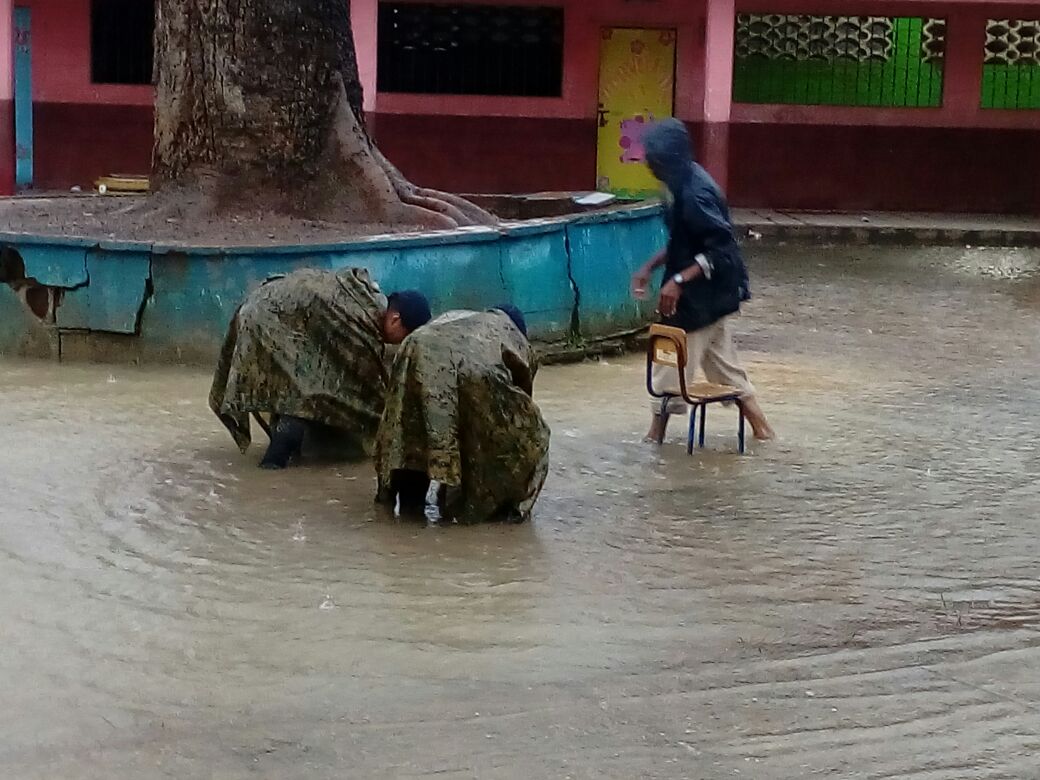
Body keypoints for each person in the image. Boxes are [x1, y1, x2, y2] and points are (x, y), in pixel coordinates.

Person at [631, 118, 774, 444]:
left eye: (652, 158)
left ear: (666, 159)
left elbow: (721, 248)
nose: (647, 164)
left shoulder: (696, 194)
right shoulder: (682, 183)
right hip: (715, 294)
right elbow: (685, 241)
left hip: (704, 295)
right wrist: (651, 267)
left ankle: (655, 438)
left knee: (670, 360)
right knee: (724, 366)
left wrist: (678, 280)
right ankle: (764, 433)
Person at [209, 267, 432, 469]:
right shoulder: (362, 328)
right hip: (267, 317)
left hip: (267, 303)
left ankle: (281, 461)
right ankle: (272, 466)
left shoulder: (368, 300)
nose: (402, 344)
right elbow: (368, 395)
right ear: (395, 320)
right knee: (307, 394)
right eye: (406, 337)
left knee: (304, 386)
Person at [374, 305, 550, 524]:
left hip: (414, 348)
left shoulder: (461, 316)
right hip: (470, 370)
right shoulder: (511, 333)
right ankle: (472, 509)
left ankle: (406, 516)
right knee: (535, 436)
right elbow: (521, 401)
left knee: (410, 431)